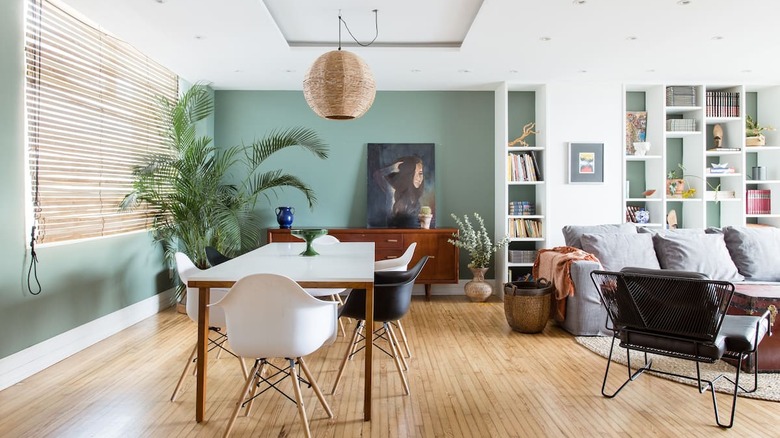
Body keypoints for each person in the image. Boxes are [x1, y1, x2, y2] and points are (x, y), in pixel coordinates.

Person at [373, 156, 424, 228]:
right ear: (408, 174)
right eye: (414, 173)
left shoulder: (415, 198)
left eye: (420, 173)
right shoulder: (392, 191)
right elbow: (377, 175)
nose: (418, 178)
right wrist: (392, 168)